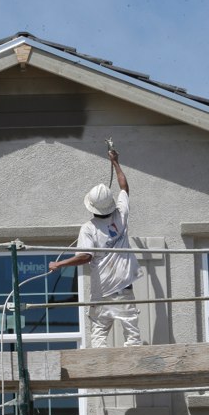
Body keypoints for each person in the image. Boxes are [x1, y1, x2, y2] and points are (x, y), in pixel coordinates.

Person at [49, 149, 141, 347]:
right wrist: (116, 162)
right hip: (124, 288)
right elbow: (124, 187)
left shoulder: (89, 228)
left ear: (91, 207)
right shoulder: (121, 215)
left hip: (103, 291)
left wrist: (59, 264)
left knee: (99, 337)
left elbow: (85, 256)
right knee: (132, 337)